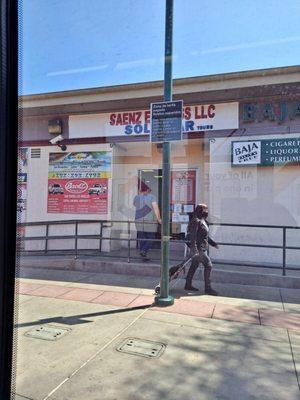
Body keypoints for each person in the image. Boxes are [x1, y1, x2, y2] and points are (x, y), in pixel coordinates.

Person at [185, 203, 219, 295]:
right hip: (198, 248)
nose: (207, 212)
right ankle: (208, 288)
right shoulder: (196, 221)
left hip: (202, 248)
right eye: (205, 210)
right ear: (200, 210)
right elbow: (193, 236)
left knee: (194, 265)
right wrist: (194, 248)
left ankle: (188, 284)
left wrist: (213, 244)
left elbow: (205, 236)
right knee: (208, 265)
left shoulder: (204, 221)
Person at [133, 181, 161, 261]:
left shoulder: (136, 197)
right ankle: (144, 251)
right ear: (147, 189)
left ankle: (143, 255)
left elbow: (134, 205)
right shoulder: (152, 197)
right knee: (151, 237)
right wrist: (159, 219)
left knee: (142, 238)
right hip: (149, 221)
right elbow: (155, 208)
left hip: (138, 220)